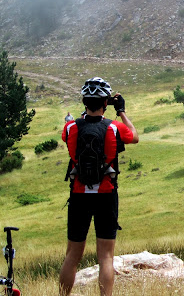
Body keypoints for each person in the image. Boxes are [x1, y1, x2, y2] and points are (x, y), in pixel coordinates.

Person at [59, 77, 139, 296]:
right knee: (105, 257)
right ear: (106, 102)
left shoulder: (71, 127)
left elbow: (68, 135)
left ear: (85, 101)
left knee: (72, 256)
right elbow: (135, 137)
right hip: (106, 194)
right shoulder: (114, 127)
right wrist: (121, 110)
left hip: (78, 195)